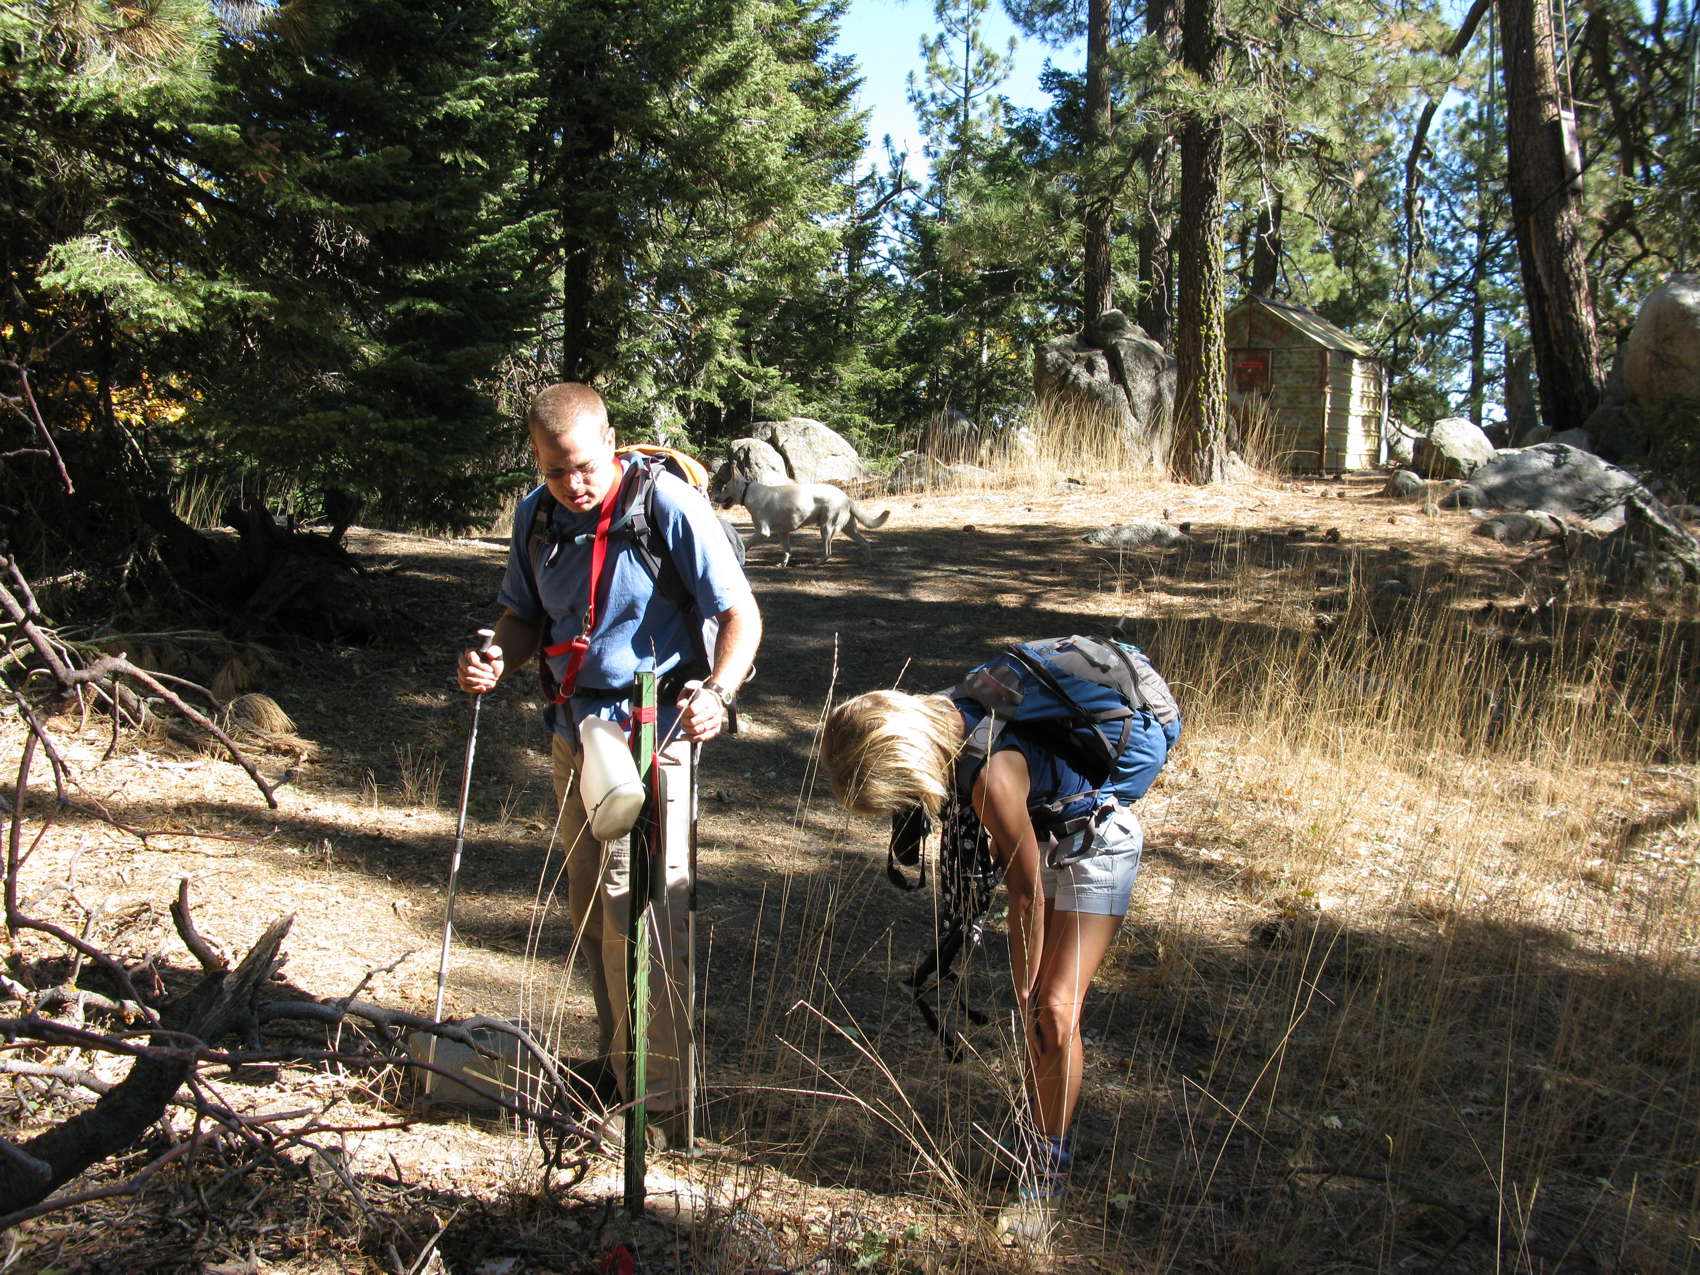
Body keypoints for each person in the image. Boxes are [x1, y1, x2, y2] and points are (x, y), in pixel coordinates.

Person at [456, 382, 760, 1147]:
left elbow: (740, 614)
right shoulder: (536, 516)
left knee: (644, 912)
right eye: (555, 470)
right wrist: (494, 657)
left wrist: (719, 691)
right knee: (592, 908)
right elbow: (524, 616)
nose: (573, 483)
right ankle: (620, 1069)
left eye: (585, 466)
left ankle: (661, 1108)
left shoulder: (667, 507)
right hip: (575, 730)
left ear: (611, 442)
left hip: (653, 732)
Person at [819, 656, 1168, 1234]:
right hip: (1047, 834)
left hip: (1096, 843)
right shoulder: (946, 719)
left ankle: (1044, 1178)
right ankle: (1040, 1126)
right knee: (1041, 1018)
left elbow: (1026, 893)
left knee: (1053, 1013)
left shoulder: (988, 773)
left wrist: (1025, 984)